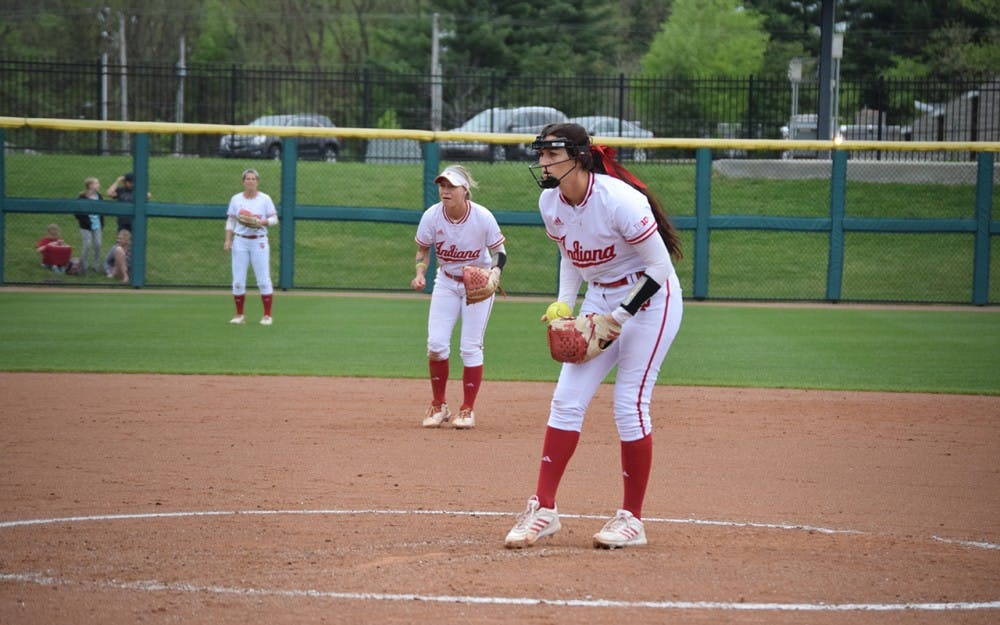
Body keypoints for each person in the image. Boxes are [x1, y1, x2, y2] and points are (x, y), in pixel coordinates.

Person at [504, 122, 684, 550]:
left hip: (651, 299)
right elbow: (569, 255)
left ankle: (631, 520)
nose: (542, 162)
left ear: (579, 157)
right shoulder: (551, 202)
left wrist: (619, 317)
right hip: (600, 299)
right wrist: (566, 305)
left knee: (629, 404)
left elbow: (659, 269)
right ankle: (543, 509)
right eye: (540, 155)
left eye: (551, 154)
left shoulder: (620, 201)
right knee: (566, 399)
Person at [411, 165, 507, 430]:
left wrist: (495, 272)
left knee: (470, 346)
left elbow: (499, 250)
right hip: (446, 282)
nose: (445, 190)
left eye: (451, 186)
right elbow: (422, 250)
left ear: (465, 190)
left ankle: (467, 409)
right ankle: (439, 405)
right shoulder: (432, 216)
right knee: (436, 344)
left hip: (478, 285)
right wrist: (420, 272)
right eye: (442, 185)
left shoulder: (482, 217)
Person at [224, 168, 277, 325]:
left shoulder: (265, 199)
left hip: (259, 241)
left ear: (257, 182)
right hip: (240, 240)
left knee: (263, 279)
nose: (250, 181)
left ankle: (267, 315)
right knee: (238, 280)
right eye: (247, 178)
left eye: (253, 179)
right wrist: (228, 240)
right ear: (243, 182)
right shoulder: (236, 199)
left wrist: (263, 222)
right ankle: (239, 315)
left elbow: (275, 219)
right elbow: (231, 221)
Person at [74, 177, 105, 274]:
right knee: (87, 245)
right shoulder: (82, 197)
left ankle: (96, 265)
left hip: (97, 225)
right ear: (90, 186)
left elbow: (102, 210)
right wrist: (86, 222)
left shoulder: (99, 196)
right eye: (96, 183)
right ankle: (83, 266)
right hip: (86, 226)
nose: (99, 185)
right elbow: (77, 213)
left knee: (98, 245)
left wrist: (101, 223)